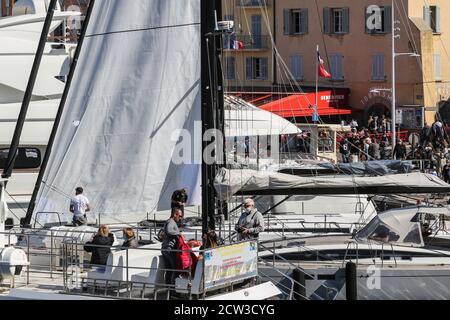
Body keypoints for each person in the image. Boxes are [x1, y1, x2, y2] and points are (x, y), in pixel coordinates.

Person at [162, 207, 182, 285]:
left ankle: (169, 289)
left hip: (165, 249)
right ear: (174, 214)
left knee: (169, 270)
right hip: (170, 249)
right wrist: (178, 234)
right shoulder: (171, 222)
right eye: (179, 216)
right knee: (175, 269)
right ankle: (173, 289)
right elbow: (169, 230)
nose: (180, 218)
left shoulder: (170, 221)